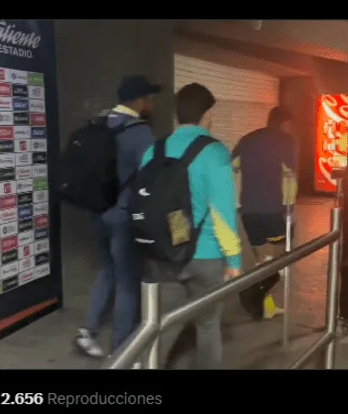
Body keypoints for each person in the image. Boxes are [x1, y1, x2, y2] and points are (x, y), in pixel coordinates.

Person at [137, 83, 242, 369]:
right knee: (208, 326)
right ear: (207, 114)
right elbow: (222, 214)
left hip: (161, 251)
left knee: (160, 328)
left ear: (177, 114)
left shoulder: (154, 150)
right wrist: (233, 260)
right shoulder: (215, 152)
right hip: (204, 254)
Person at [74, 75, 160, 358]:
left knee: (106, 270)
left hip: (96, 212)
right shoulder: (139, 132)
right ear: (139, 100)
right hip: (122, 217)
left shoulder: (99, 123)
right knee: (128, 283)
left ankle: (88, 332)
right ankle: (122, 351)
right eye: (149, 98)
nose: (152, 103)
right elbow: (153, 178)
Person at [232, 106, 298, 318]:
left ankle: (264, 308)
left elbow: (232, 167)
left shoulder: (247, 139)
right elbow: (290, 176)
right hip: (271, 211)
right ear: (284, 123)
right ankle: (249, 293)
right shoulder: (286, 141)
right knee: (276, 263)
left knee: (262, 261)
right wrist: (289, 210)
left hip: (249, 211)